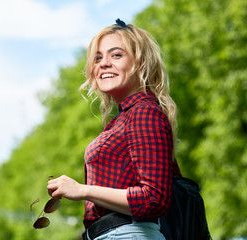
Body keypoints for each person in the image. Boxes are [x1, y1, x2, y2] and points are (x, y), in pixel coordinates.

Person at [47, 19, 181, 240]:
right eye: (98, 58)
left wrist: (83, 190)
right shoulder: (123, 119)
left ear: (141, 64)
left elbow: (154, 198)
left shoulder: (144, 113)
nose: (103, 63)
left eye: (116, 55)